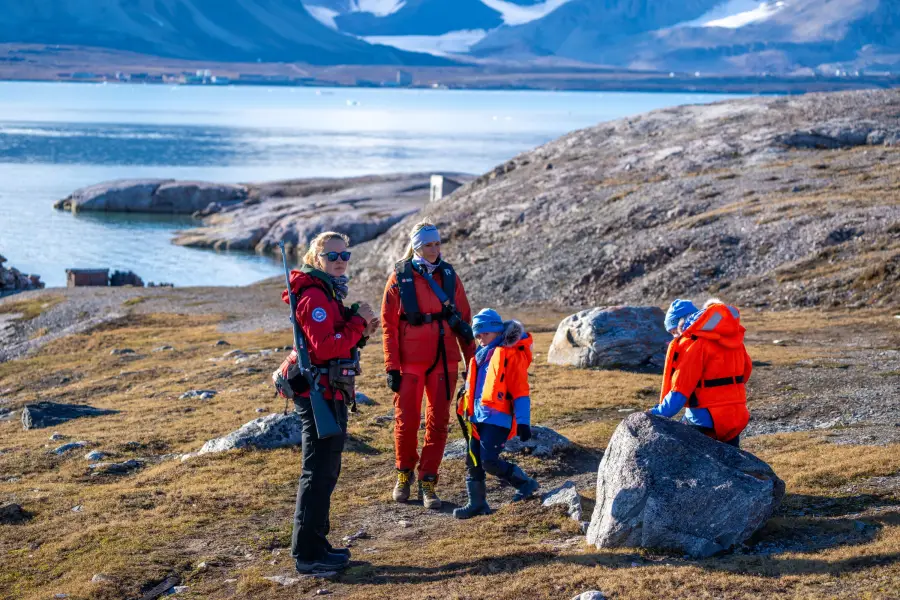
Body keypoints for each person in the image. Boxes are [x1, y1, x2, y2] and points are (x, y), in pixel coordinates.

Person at [274, 231, 378, 573]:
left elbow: (336, 341)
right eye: (332, 255)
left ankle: (318, 543)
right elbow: (326, 346)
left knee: (326, 471)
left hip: (329, 391)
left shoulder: (327, 291)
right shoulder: (314, 295)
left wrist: (358, 329)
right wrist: (358, 322)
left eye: (344, 255)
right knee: (317, 472)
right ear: (316, 258)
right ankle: (307, 554)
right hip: (318, 393)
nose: (339, 261)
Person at [381, 221, 476, 509]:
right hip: (409, 363)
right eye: (428, 245)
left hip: (444, 361)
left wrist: (472, 364)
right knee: (406, 422)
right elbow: (388, 325)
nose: (434, 249)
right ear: (416, 246)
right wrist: (391, 366)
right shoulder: (399, 277)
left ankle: (428, 481)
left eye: (437, 244)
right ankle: (403, 474)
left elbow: (464, 321)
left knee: (439, 423)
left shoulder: (449, 275)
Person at [454, 309, 539, 519]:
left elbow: (520, 391)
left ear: (497, 331)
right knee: (473, 460)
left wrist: (523, 422)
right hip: (476, 417)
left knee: (489, 461)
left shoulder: (510, 355)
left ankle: (525, 483)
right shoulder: (480, 356)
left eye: (485, 333)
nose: (481, 338)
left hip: (497, 419)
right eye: (478, 335)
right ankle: (477, 503)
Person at [649, 298, 752, 447]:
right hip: (737, 414)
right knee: (731, 457)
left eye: (673, 331)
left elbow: (680, 390)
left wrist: (656, 413)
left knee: (678, 450)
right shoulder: (732, 338)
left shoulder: (694, 343)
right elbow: (746, 372)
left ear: (680, 324)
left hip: (706, 419)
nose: (674, 336)